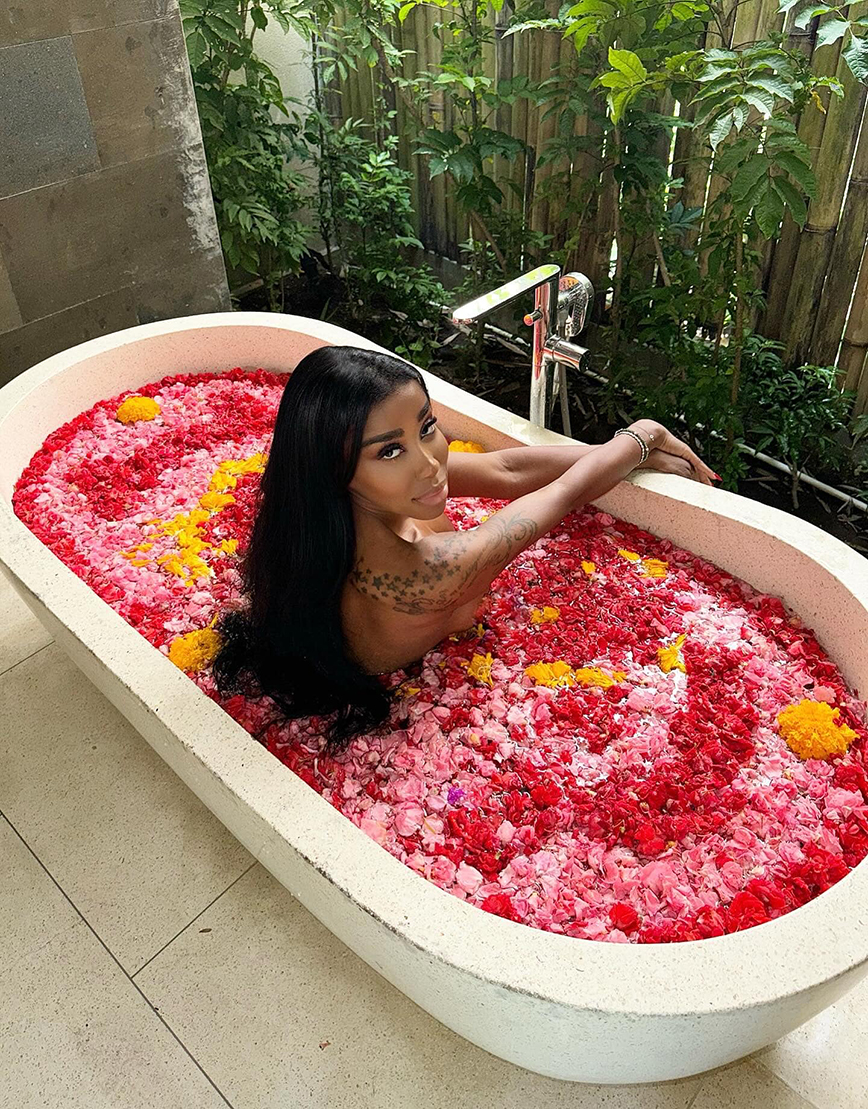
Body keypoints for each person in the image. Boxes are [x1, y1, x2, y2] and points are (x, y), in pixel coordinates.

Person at [212, 345, 718, 750]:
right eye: (391, 450)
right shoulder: (418, 573)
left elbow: (506, 469)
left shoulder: (339, 504)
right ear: (332, 469)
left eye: (427, 427)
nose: (430, 463)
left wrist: (622, 456)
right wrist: (641, 437)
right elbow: (563, 495)